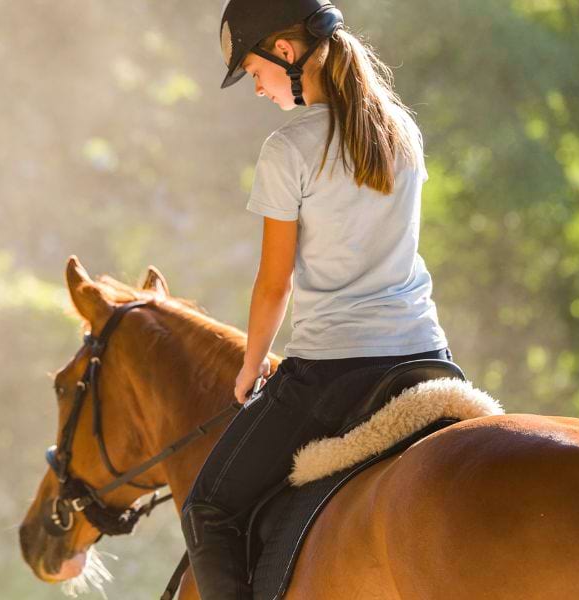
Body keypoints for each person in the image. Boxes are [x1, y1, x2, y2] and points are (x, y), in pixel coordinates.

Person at [180, 1, 454, 598]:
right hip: (427, 356)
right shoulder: (402, 131)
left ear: (286, 53)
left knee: (208, 507)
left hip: (337, 369)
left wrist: (252, 367)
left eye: (254, 72)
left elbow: (273, 282)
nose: (257, 88)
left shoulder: (289, 148)